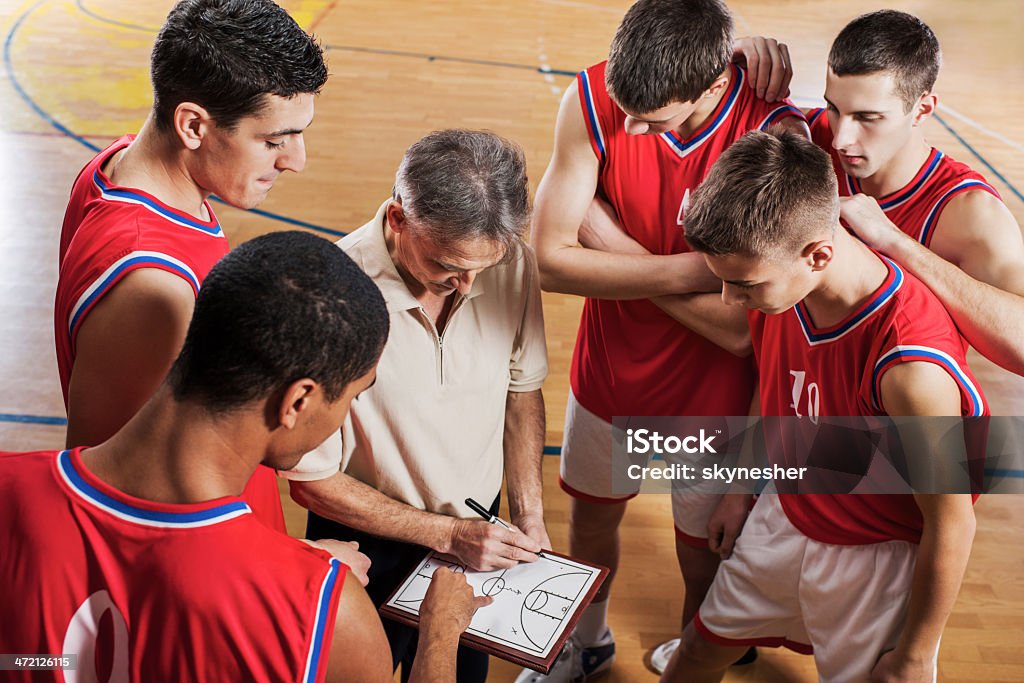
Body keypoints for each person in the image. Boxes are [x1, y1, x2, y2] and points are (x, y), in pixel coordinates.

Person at [1, 231, 491, 682]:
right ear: (298, 402)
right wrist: (440, 634)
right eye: (354, 395)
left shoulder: (9, 488)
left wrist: (281, 571)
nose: (348, 412)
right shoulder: (327, 612)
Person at [526, 0, 806, 678]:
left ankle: (698, 648)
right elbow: (550, 263)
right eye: (626, 107)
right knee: (590, 519)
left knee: (699, 547)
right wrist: (705, 273)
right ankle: (586, 637)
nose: (629, 126)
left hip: (713, 392)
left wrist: (613, 245)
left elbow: (742, 329)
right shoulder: (592, 96)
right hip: (610, 370)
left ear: (714, 86)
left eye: (652, 118)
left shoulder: (771, 132)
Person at [664, 129, 982, 682]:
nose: (729, 301)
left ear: (820, 254)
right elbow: (778, 386)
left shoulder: (911, 368)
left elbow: (953, 523)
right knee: (695, 652)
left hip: (874, 557)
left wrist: (914, 655)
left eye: (743, 285)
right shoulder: (785, 283)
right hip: (786, 513)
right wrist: (742, 489)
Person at [53, 0, 328, 532]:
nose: (296, 160)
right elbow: (114, 497)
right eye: (274, 140)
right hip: (214, 571)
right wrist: (291, 570)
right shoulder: (152, 288)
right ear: (193, 125)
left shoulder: (118, 164)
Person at [286, 129, 549, 683]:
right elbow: (311, 480)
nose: (467, 283)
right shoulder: (330, 294)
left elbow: (521, 391)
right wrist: (449, 535)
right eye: (448, 265)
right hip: (364, 540)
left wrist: (528, 516)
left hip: (479, 534)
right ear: (398, 217)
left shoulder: (508, 261)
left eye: (483, 266)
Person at [806, 10, 1024, 387]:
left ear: (922, 109)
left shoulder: (968, 212)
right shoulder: (808, 138)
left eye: (868, 117)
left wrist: (895, 242)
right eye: (834, 109)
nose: (841, 138)